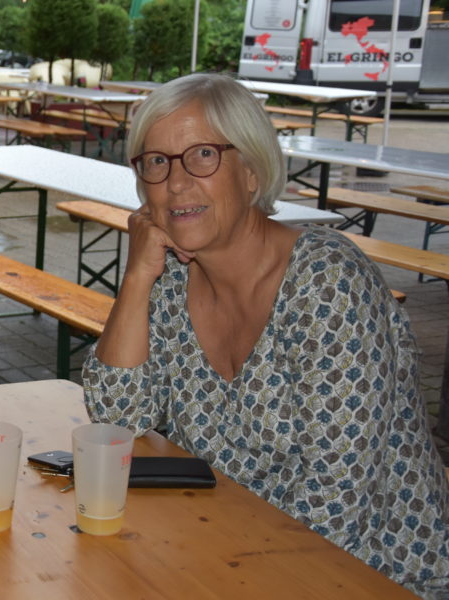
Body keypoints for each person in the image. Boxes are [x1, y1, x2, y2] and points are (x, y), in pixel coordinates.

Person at [82, 73, 448, 598]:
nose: (176, 183)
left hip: (372, 573)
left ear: (252, 172)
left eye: (203, 155)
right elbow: (118, 420)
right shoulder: (170, 279)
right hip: (233, 550)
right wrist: (138, 276)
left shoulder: (326, 282)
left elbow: (336, 501)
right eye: (157, 161)